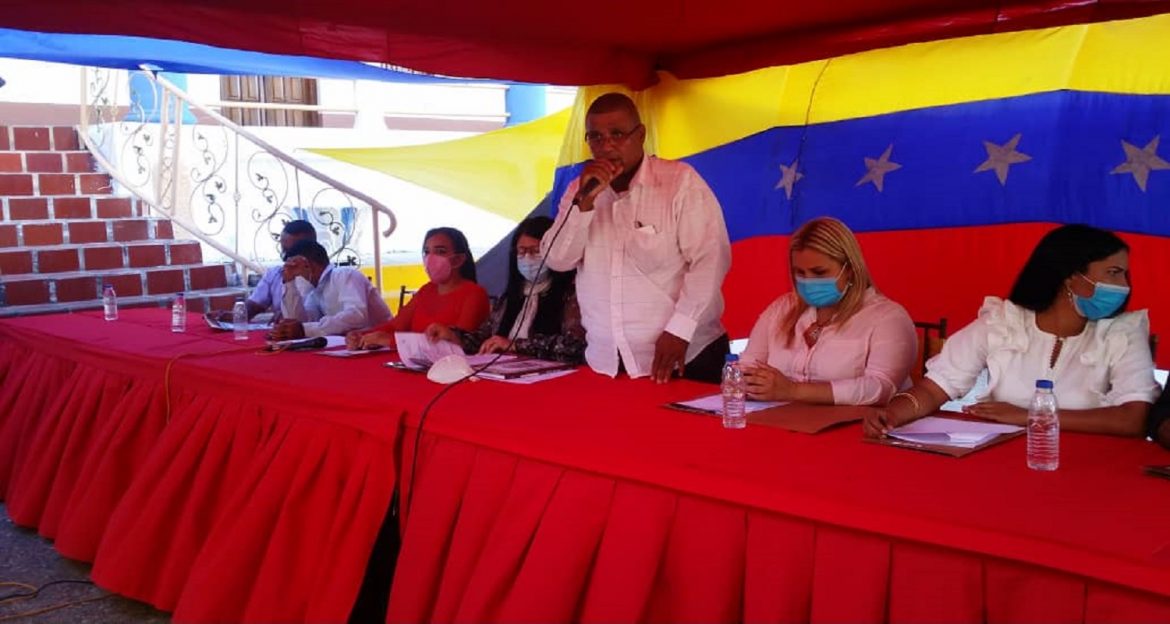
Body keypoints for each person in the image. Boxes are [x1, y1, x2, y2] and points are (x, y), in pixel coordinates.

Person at [864, 224, 1160, 438]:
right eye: (1113, 273)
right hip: (1001, 462)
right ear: (1070, 277)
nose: (1124, 285)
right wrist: (892, 414)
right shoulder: (1004, 321)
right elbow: (933, 389)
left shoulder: (1123, 332)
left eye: (1124, 274)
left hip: (1091, 469)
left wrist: (1030, 417)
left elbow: (1133, 419)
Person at [541, 92, 732, 383]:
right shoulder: (578, 191)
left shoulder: (680, 182)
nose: (606, 146)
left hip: (684, 355)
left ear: (640, 135)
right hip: (607, 361)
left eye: (617, 134)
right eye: (595, 137)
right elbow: (557, 260)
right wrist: (585, 204)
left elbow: (710, 260)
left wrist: (680, 330)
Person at [739, 217, 917, 405]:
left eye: (819, 272)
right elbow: (747, 367)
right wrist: (749, 383)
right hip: (779, 417)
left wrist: (793, 391)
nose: (808, 281)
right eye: (800, 273)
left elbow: (881, 388)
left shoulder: (888, 318)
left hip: (857, 422)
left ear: (849, 269)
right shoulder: (781, 309)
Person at [429, 216, 586, 363]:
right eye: (521, 251)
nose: (528, 257)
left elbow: (575, 346)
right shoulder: (509, 297)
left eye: (536, 251)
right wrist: (453, 336)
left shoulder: (572, 295)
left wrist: (515, 345)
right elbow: (485, 338)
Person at [348, 227, 490, 349]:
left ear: (458, 259)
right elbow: (395, 326)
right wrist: (362, 336)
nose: (431, 258)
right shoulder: (426, 290)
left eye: (440, 251)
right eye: (427, 252)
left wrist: (390, 341)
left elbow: (459, 343)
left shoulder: (474, 294)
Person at [268, 240, 392, 339]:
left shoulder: (344, 275)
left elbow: (356, 316)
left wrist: (305, 329)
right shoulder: (314, 291)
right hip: (355, 346)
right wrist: (289, 283)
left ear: (308, 265)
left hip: (384, 344)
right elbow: (300, 322)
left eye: (294, 269)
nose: (294, 275)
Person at [210, 219, 316, 321]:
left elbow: (317, 316)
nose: (285, 256)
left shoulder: (321, 277)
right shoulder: (275, 274)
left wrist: (289, 314)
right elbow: (253, 306)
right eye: (283, 250)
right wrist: (236, 315)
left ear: (311, 248)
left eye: (291, 251)